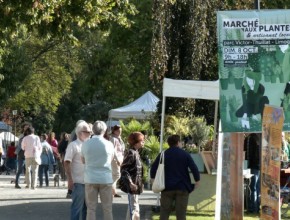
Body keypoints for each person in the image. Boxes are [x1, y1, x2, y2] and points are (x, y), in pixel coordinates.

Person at [150, 135, 200, 220]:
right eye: (180, 142)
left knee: (164, 212)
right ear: (178, 143)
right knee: (181, 214)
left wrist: (153, 179)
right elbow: (194, 168)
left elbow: (153, 168)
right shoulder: (185, 154)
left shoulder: (163, 154)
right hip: (182, 187)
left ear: (169, 143)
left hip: (166, 187)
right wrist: (197, 181)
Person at [81, 121, 115, 220]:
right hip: (106, 179)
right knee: (107, 209)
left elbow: (83, 160)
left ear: (92, 130)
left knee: (91, 209)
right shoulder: (109, 144)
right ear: (104, 131)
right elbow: (111, 159)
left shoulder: (86, 143)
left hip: (90, 178)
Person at [64, 121, 91, 220]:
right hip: (78, 182)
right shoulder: (73, 145)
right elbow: (67, 162)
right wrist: (70, 180)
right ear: (80, 133)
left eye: (90, 132)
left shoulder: (89, 145)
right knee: (77, 208)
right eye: (87, 132)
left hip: (88, 181)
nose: (90, 134)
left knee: (87, 209)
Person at [120, 132, 145, 220]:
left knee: (133, 208)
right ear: (136, 142)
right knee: (134, 209)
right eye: (142, 140)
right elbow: (124, 170)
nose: (143, 142)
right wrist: (130, 183)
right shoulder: (131, 153)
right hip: (132, 186)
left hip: (135, 186)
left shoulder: (136, 152)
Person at [244, 133, 261, 214]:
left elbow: (246, 153)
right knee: (256, 187)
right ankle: (256, 207)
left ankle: (252, 208)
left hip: (252, 165)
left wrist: (247, 166)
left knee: (252, 187)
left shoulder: (249, 138)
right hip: (258, 165)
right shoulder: (258, 138)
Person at [110, 125, 125, 198]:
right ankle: (110, 190)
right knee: (116, 175)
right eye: (118, 131)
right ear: (114, 131)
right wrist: (117, 159)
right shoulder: (113, 139)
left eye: (120, 131)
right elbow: (113, 150)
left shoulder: (119, 138)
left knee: (115, 175)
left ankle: (113, 191)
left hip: (120, 159)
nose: (120, 132)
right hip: (115, 159)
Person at [14, 123, 30, 189]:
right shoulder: (21, 136)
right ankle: (17, 183)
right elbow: (18, 144)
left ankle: (28, 183)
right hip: (21, 154)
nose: (26, 128)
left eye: (27, 127)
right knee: (20, 169)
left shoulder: (31, 136)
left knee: (28, 170)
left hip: (28, 154)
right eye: (25, 127)